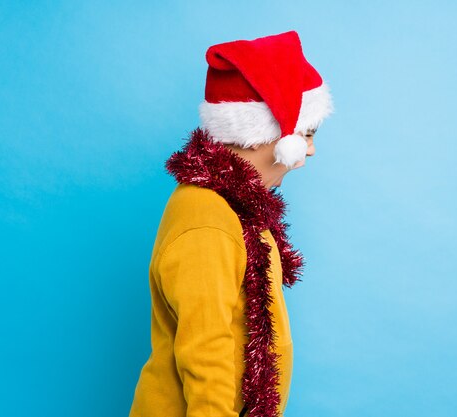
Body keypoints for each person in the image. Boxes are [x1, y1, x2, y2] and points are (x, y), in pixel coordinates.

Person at [128, 30, 334, 417]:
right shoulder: (209, 222)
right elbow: (207, 356)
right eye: (305, 133)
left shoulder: (235, 209)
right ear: (262, 135)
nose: (310, 150)